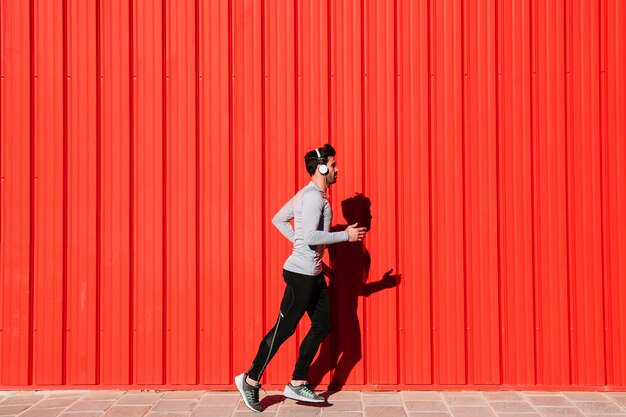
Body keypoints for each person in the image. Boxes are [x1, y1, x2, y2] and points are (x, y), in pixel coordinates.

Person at [235, 144, 367, 413]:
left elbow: (279, 220)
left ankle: (297, 381)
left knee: (321, 326)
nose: (336, 169)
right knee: (284, 330)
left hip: (314, 275)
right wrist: (346, 236)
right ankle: (250, 379)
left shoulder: (309, 194)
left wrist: (302, 242)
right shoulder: (313, 198)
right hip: (300, 275)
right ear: (321, 168)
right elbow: (309, 237)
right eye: (332, 165)